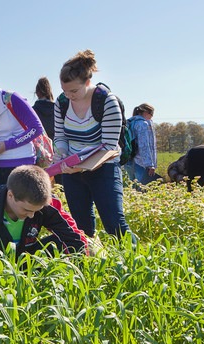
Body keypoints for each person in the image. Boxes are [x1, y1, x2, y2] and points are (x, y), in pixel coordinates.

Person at [54, 49, 132, 241]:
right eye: (65, 91)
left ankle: (138, 263)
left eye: (74, 91)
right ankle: (89, 263)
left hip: (103, 167)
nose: (69, 95)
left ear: (87, 83)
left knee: (115, 224)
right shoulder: (62, 103)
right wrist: (62, 155)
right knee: (81, 227)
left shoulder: (106, 101)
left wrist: (79, 167)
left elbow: (108, 147)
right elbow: (60, 137)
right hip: (72, 169)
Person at [0, 165, 88, 257]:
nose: (31, 216)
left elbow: (75, 237)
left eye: (36, 211)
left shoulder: (46, 202)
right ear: (10, 195)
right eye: (26, 210)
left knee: (68, 244)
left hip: (25, 257)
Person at [32, 77, 61, 186]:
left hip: (41, 154)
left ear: (37, 92)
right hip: (58, 151)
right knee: (60, 187)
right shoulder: (58, 110)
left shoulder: (32, 112)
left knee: (42, 186)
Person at [127, 103, 158, 185]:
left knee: (131, 187)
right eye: (151, 114)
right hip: (141, 162)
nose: (152, 116)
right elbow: (144, 145)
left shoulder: (130, 122)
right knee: (143, 189)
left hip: (129, 159)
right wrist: (150, 165)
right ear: (146, 112)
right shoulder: (143, 124)